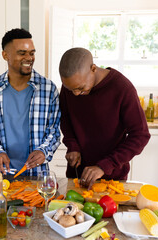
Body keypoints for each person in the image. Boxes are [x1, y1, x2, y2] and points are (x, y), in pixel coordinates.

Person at [59, 47, 150, 189]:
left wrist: (104, 165)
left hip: (112, 178)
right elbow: (65, 118)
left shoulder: (122, 88)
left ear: (93, 69)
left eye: (80, 88)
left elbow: (140, 135)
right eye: (71, 90)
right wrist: (73, 146)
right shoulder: (70, 86)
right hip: (77, 175)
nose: (75, 94)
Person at [0, 28, 61, 176]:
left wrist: (43, 151)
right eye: (22, 53)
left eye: (32, 53)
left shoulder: (48, 89)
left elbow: (54, 132)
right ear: (5, 55)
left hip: (37, 176)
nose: (29, 58)